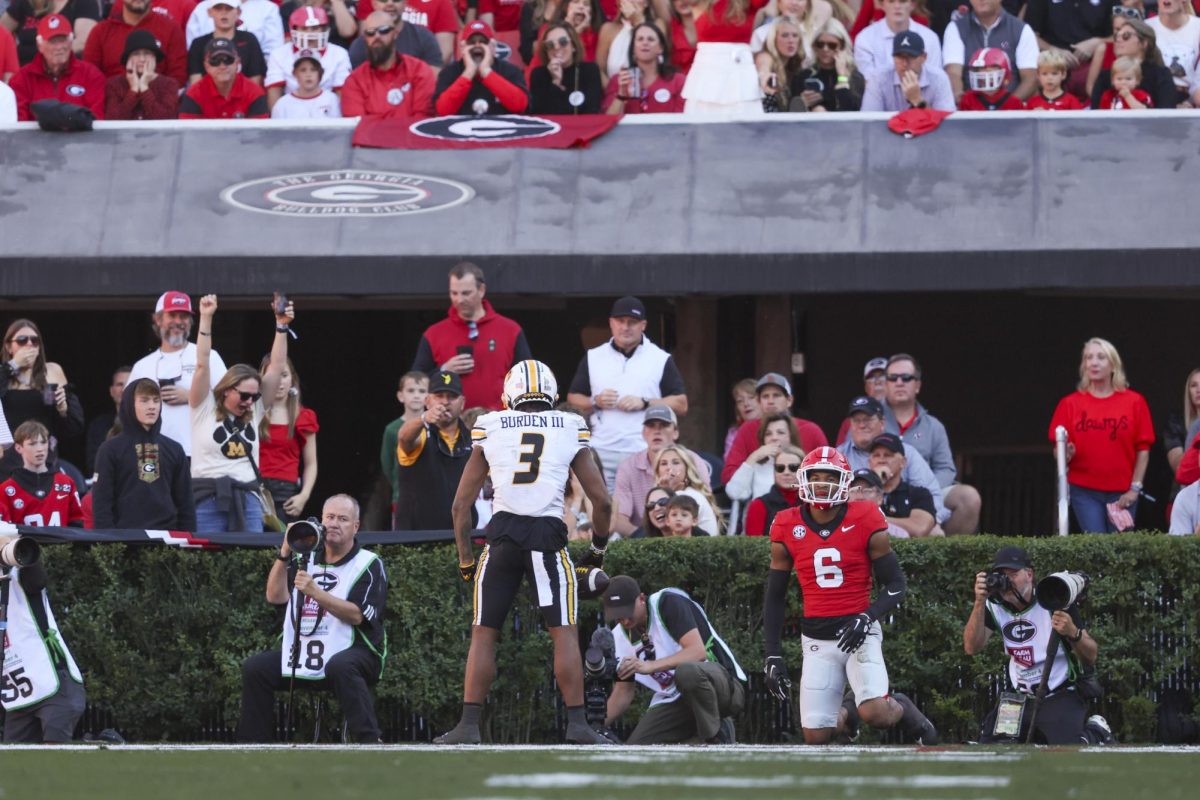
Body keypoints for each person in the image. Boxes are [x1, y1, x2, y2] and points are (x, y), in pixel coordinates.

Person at [435, 360, 614, 745]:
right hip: (547, 537)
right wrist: (597, 551)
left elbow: (459, 507)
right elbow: (601, 501)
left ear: (508, 395)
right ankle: (579, 725)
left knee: (483, 634)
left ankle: (468, 726)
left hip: (502, 537)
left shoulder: (491, 424)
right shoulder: (569, 425)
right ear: (551, 393)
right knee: (564, 633)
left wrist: (466, 559)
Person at [762, 446, 939, 745]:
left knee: (877, 714)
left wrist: (867, 617)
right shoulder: (786, 524)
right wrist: (772, 653)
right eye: (814, 476)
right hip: (817, 638)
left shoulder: (866, 515)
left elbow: (896, 583)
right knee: (816, 736)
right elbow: (775, 596)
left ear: (844, 481)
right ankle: (848, 715)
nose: (821, 483)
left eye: (828, 476)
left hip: (859, 630)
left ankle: (904, 709)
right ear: (803, 480)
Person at [238, 494, 388, 743]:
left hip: (357, 650)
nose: (334, 524)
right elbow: (275, 597)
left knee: (341, 666)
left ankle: (370, 741)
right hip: (305, 652)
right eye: (329, 517)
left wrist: (315, 593)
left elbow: (357, 615)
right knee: (255, 669)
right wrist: (285, 553)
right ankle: (254, 745)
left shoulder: (369, 564)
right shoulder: (304, 559)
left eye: (343, 519)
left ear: (356, 527)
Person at [963, 545, 1111, 744]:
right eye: (1001, 575)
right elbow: (972, 647)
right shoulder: (994, 605)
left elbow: (1091, 655)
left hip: (1059, 692)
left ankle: (1096, 730)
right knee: (993, 747)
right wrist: (979, 602)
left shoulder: (1054, 598)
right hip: (1019, 696)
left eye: (1013, 574)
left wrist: (1073, 633)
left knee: (1067, 748)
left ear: (1029, 574)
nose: (1007, 581)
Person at [188, 294, 291, 534]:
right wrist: (205, 317)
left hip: (248, 498)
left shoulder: (254, 410)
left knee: (250, 560)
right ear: (226, 389)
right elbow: (202, 364)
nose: (249, 402)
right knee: (208, 561)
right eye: (244, 395)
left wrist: (281, 325)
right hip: (207, 498)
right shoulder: (203, 406)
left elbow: (276, 366)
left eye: (254, 397)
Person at [601, 575, 746, 743]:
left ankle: (716, 734)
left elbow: (697, 652)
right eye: (618, 615)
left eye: (627, 612)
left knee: (687, 672)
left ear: (641, 598)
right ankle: (698, 737)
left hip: (722, 685)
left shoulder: (667, 603)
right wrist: (593, 727)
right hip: (676, 699)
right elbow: (622, 692)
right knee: (637, 748)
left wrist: (650, 666)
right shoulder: (618, 637)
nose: (624, 620)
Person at [567, 296, 688, 491]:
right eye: (620, 321)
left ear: (643, 325)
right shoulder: (593, 356)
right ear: (611, 323)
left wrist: (645, 402)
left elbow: (681, 404)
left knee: (643, 509)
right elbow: (572, 399)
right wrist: (595, 401)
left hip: (642, 449)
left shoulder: (660, 358)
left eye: (632, 322)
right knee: (601, 511)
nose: (625, 327)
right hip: (601, 449)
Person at [1048, 337, 1153, 534]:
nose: (1094, 362)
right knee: (1096, 545)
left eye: (1101, 357)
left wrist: (1135, 489)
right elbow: (1059, 452)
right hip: (1084, 490)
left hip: (1122, 492)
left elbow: (1143, 449)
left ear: (1113, 364)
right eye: (1088, 358)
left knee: (1120, 551)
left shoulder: (1134, 402)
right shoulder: (1070, 404)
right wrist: (1065, 453)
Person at [0, 525, 86, 743]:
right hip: (18, 697)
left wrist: (11, 541)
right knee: (17, 768)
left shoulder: (18, 570)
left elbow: (37, 581)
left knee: (58, 763)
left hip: (52, 684)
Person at [410, 263, 532, 413]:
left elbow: (528, 379)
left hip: (499, 422)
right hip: (449, 423)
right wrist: (443, 370)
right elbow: (415, 381)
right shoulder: (434, 333)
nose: (459, 300)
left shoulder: (511, 330)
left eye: (466, 293)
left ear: (481, 290)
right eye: (454, 293)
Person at [882, 354, 980, 535]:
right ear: (886, 385)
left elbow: (946, 469)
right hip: (881, 492)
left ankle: (950, 558)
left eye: (906, 378)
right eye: (893, 378)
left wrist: (924, 491)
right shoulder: (870, 422)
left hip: (926, 492)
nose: (899, 382)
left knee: (969, 497)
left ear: (917, 385)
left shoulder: (934, 426)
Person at [128, 292, 227, 460]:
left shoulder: (209, 355)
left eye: (184, 316)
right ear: (158, 320)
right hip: (150, 453)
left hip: (198, 453)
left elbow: (230, 399)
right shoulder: (142, 366)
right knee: (149, 485)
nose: (179, 322)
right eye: (172, 315)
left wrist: (191, 396)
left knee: (192, 488)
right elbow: (127, 410)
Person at [91, 378, 195, 531]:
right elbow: (101, 504)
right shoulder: (110, 449)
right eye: (144, 401)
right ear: (129, 404)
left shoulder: (175, 449)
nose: (152, 407)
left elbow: (186, 504)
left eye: (156, 400)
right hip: (125, 540)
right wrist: (110, 544)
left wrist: (187, 544)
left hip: (167, 540)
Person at [837, 395, 949, 529]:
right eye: (856, 420)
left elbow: (931, 496)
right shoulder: (837, 457)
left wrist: (930, 521)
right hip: (851, 525)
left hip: (904, 520)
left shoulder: (905, 452)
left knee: (933, 531)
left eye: (868, 419)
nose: (862, 425)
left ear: (882, 423)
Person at [0, 320, 83, 482]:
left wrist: (63, 409)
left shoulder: (51, 371)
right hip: (8, 462)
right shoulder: (3, 374)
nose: (29, 344)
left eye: (34, 340)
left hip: (44, 460)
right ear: (9, 347)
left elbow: (74, 427)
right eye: (22, 340)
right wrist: (14, 365)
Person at [611, 405, 711, 538]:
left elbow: (704, 509)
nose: (656, 431)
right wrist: (645, 541)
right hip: (642, 538)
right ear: (643, 433)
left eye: (663, 425)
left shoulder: (693, 460)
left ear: (675, 432)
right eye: (651, 425)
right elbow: (618, 518)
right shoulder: (628, 467)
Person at [394, 369, 473, 531]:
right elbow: (404, 438)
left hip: (461, 538)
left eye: (451, 396)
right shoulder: (421, 432)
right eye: (439, 396)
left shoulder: (473, 438)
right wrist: (424, 419)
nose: (445, 402)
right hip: (417, 540)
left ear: (463, 402)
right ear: (428, 401)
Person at [721, 372, 826, 485]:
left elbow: (829, 472)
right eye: (765, 396)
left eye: (776, 395)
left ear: (789, 400)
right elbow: (728, 476)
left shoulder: (811, 430)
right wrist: (754, 459)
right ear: (759, 402)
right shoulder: (747, 430)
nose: (770, 401)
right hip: (759, 498)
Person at [339, 10, 437, 117]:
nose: (377, 36)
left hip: (410, 134)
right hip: (372, 134)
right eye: (370, 32)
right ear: (365, 38)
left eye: (384, 30)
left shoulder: (419, 70)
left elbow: (421, 120)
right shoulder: (355, 81)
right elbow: (359, 126)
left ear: (395, 34)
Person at [9, 13, 105, 120]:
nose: (59, 47)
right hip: (36, 137)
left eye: (63, 39)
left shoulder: (91, 75)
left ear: (70, 41)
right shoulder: (22, 79)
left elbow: (96, 119)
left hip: (79, 136)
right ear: (39, 45)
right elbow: (19, 123)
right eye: (53, 41)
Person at [257, 356, 319, 523]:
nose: (278, 381)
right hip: (254, 489)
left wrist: (304, 496)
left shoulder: (304, 416)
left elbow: (311, 463)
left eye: (283, 375)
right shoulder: (252, 413)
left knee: (282, 545)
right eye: (272, 375)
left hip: (286, 495)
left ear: (292, 379)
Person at [681, 0, 769, 115]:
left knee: (746, 127)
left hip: (741, 77)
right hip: (705, 75)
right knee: (701, 126)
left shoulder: (746, 3)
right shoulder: (700, 3)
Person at [942, 0, 1037, 104]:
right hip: (969, 112)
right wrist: (961, 100)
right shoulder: (955, 28)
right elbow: (953, 72)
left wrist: (1006, 106)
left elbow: (1030, 78)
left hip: (1011, 113)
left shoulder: (1021, 29)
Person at [433, 19, 529, 114]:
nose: (477, 45)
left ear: (493, 47)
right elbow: (442, 110)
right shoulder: (449, 73)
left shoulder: (510, 71)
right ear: (463, 48)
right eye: (472, 42)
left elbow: (521, 106)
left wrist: (486, 72)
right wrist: (468, 73)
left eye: (483, 42)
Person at [1024, 0, 1115, 99]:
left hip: (1093, 68)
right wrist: (1053, 50)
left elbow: (1123, 34)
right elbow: (1028, 34)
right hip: (1051, 67)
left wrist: (1097, 42)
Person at [0, 421, 84, 527]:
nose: (40, 449)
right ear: (18, 448)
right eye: (32, 444)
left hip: (64, 543)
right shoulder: (6, 489)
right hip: (26, 543)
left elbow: (78, 523)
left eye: (43, 442)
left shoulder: (66, 483)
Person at [83, 0, 187, 84]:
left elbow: (178, 78)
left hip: (158, 102)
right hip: (110, 102)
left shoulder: (171, 29)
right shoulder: (101, 31)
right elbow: (90, 75)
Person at [265, 6, 350, 109]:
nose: (310, 33)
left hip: (327, 110)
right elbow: (274, 93)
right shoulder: (279, 54)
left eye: (315, 28)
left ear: (324, 29)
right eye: (304, 28)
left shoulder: (339, 54)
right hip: (291, 111)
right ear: (294, 29)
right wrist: (277, 121)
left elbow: (342, 93)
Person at [602, 21, 688, 113]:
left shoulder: (678, 80)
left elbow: (682, 120)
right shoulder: (619, 80)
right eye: (640, 39)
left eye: (650, 39)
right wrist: (621, 96)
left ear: (661, 48)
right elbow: (609, 121)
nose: (645, 43)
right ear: (633, 48)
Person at [1089, 19, 1175, 109]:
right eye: (1116, 36)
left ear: (1144, 43)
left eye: (1126, 36)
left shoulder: (1161, 75)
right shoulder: (1106, 76)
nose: (1118, 40)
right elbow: (1095, 113)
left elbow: (1167, 112)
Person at [861, 30, 955, 112]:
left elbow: (946, 127)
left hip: (927, 133)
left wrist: (917, 100)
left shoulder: (939, 79)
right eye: (899, 57)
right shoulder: (878, 78)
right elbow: (868, 123)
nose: (905, 63)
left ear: (924, 57)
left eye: (911, 57)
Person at [725, 412, 801, 511]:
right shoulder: (757, 465)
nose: (774, 438)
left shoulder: (802, 462)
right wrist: (753, 457)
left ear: (790, 436)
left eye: (780, 432)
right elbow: (734, 493)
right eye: (768, 434)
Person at [380, 371, 428, 528]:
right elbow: (387, 464)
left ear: (429, 397)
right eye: (411, 391)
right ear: (400, 396)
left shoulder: (434, 426)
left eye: (421, 391)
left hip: (430, 495)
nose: (416, 395)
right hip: (401, 496)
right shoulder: (392, 429)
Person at [867, 433, 937, 538]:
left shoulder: (919, 494)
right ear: (869, 462)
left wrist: (872, 519)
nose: (881, 460)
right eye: (876, 455)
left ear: (903, 462)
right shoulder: (859, 490)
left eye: (888, 455)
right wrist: (876, 483)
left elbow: (919, 529)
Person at [179, 37, 268, 117]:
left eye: (228, 59)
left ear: (237, 62)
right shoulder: (194, 94)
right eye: (215, 61)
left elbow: (260, 134)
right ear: (206, 66)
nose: (222, 66)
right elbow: (189, 133)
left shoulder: (254, 93)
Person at [104, 28, 181, 119]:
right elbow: (113, 119)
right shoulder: (114, 84)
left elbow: (167, 118)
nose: (142, 59)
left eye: (147, 53)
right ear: (128, 58)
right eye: (136, 54)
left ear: (154, 58)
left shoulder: (169, 84)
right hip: (125, 133)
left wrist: (144, 87)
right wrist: (133, 90)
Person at [186, 1, 266, 86]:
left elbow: (255, 81)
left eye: (229, 8)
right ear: (209, 12)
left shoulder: (250, 40)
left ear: (238, 12)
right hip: (206, 97)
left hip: (245, 97)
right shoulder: (198, 44)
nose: (224, 13)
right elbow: (195, 84)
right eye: (218, 8)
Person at [853, 0, 940, 78]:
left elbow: (935, 79)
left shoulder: (930, 38)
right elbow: (868, 81)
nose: (897, 6)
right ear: (882, 4)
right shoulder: (865, 38)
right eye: (891, 1)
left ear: (913, 4)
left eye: (903, 1)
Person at [1, 0, 102, 67]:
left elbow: (83, 41)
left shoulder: (84, 3)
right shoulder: (26, 3)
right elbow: (2, 31)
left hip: (63, 71)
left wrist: (50, 55)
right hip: (23, 73)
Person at [791, 18, 863, 112]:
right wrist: (802, 102)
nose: (825, 49)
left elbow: (850, 109)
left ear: (842, 46)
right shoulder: (804, 75)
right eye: (820, 44)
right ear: (814, 46)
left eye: (832, 45)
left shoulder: (855, 76)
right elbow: (793, 112)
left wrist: (842, 78)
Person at [347, 0, 443, 69]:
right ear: (374, 4)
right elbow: (356, 85)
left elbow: (432, 82)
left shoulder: (425, 38)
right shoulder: (360, 44)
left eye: (396, 0)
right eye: (383, 0)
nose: (390, 3)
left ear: (405, 3)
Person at [529, 22, 603, 112]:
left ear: (573, 46)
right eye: (550, 44)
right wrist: (556, 82)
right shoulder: (538, 75)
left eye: (563, 42)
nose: (556, 47)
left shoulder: (589, 70)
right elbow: (541, 114)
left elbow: (592, 111)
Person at [654, 444, 723, 534]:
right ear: (658, 472)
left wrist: (665, 492)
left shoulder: (689, 495)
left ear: (687, 469)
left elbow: (666, 529)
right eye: (663, 463)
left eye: (676, 462)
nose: (669, 468)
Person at [598, 0, 670, 84]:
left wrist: (638, 20)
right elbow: (600, 70)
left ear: (646, 3)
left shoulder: (658, 24)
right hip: (617, 92)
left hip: (651, 90)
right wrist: (613, 91)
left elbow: (660, 60)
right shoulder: (608, 29)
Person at [186, 0, 285, 59]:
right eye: (219, 9)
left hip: (252, 78)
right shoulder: (202, 8)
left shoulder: (268, 8)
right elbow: (193, 53)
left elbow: (273, 54)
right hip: (208, 77)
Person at [743, 443, 803, 537]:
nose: (786, 472)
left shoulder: (812, 503)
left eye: (793, 468)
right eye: (780, 468)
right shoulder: (759, 505)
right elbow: (753, 548)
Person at [1148, 0, 1199, 106]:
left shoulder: (1197, 27)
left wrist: (1190, 102)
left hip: (1189, 98)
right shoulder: (1147, 27)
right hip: (1155, 97)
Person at [84, 366, 130, 476]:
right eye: (120, 384)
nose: (124, 389)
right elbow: (93, 465)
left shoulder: (148, 424)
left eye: (129, 384)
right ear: (111, 391)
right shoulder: (98, 425)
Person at [835, 357, 889, 446]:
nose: (877, 381)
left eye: (883, 375)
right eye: (871, 377)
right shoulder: (850, 422)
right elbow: (840, 456)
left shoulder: (904, 416)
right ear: (866, 387)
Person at [756, 16, 806, 111]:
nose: (791, 41)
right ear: (773, 39)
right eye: (785, 35)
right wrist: (764, 74)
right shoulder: (766, 56)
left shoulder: (795, 66)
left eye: (795, 36)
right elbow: (763, 66)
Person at [271, 52, 343, 116]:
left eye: (313, 70)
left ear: (320, 73)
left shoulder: (332, 100)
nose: (308, 75)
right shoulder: (282, 104)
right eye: (303, 70)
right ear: (295, 74)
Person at [958, 48, 1025, 109]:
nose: (987, 71)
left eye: (993, 67)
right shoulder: (968, 100)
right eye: (982, 68)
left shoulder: (1014, 102)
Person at [725, 378, 758, 460]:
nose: (746, 404)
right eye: (740, 401)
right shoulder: (734, 433)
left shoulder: (775, 427)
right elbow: (730, 462)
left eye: (751, 397)